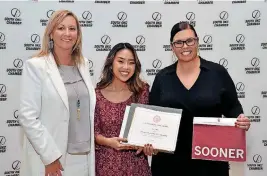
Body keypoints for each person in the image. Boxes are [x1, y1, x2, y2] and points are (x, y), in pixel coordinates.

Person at [149, 21, 251, 176]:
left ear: (197, 41)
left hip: (210, 164)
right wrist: (149, 141)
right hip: (169, 165)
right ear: (172, 47)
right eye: (179, 42)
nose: (185, 46)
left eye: (189, 40)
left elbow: (233, 108)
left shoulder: (217, 73)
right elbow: (152, 118)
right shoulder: (162, 78)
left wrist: (241, 120)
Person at [18, 10, 96, 176]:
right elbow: (28, 117)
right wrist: (50, 157)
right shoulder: (35, 66)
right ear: (51, 33)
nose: (67, 33)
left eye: (72, 29)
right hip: (53, 159)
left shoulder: (84, 64)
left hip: (84, 158)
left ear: (78, 34)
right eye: (61, 28)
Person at [94, 42, 153, 176]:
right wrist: (109, 142)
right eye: (121, 61)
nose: (126, 67)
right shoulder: (96, 94)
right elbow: (93, 132)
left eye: (131, 62)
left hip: (136, 167)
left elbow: (149, 128)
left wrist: (149, 146)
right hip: (106, 166)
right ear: (111, 63)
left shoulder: (142, 91)